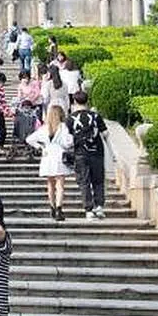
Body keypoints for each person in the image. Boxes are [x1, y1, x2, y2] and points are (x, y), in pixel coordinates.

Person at [27, 105, 75, 220]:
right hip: (59, 155)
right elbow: (68, 143)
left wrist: (40, 147)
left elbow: (29, 139)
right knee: (60, 185)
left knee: (50, 184)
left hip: (47, 155)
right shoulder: (63, 127)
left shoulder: (44, 128)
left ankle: (52, 207)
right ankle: (59, 208)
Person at [67, 91, 109, 220]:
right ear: (87, 101)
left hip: (80, 153)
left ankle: (88, 209)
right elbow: (106, 133)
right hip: (97, 152)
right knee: (98, 180)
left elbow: (67, 139)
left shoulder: (70, 119)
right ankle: (99, 207)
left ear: (74, 102)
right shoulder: (96, 116)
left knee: (84, 181)